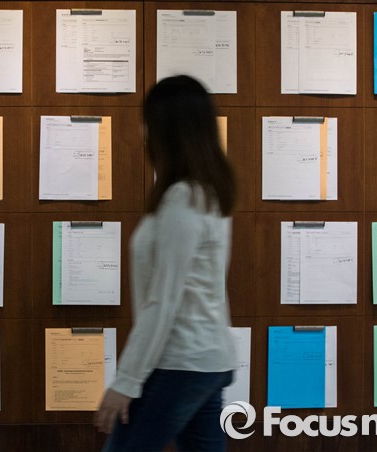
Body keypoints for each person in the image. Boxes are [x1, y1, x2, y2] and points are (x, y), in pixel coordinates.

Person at [94, 75, 239, 452]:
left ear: (168, 131)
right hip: (206, 359)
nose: (143, 133)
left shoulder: (183, 198)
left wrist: (127, 380)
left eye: (148, 123)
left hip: (180, 362)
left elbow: (164, 299)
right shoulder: (209, 193)